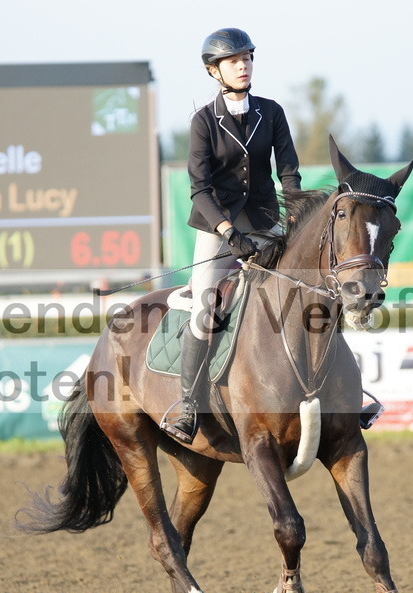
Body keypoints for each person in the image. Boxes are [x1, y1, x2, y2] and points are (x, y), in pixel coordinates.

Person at [162, 27, 302, 444]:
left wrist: (293, 215)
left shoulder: (272, 112)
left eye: (247, 58)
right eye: (233, 61)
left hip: (264, 220)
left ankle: (342, 390)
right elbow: (199, 188)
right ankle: (189, 405)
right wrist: (227, 232)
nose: (243, 65)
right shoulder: (204, 121)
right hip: (218, 227)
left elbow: (289, 171)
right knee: (206, 307)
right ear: (214, 71)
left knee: (306, 292)